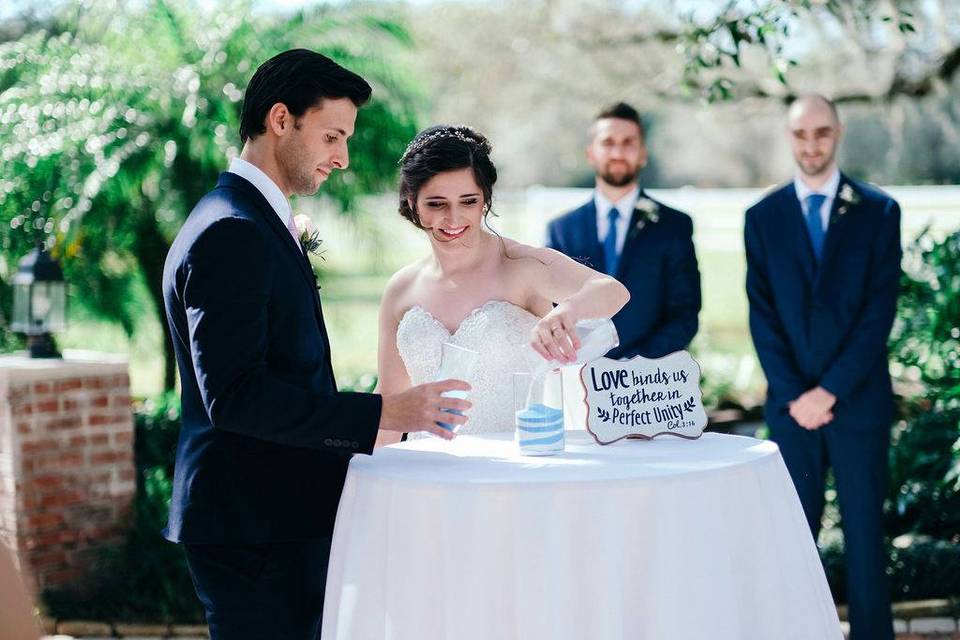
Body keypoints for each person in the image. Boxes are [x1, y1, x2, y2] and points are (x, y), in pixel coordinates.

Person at [161, 49, 469, 640]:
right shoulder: (232, 231)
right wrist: (381, 412)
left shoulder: (250, 218)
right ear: (282, 120)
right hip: (252, 527)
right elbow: (236, 396)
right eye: (332, 136)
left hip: (272, 516)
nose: (343, 158)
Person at [744, 93, 900, 640]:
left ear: (838, 133)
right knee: (793, 539)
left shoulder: (878, 211)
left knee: (864, 538)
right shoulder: (761, 218)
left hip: (857, 404)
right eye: (801, 134)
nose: (811, 145)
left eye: (822, 133)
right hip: (791, 408)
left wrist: (828, 390)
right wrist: (796, 393)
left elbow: (878, 312)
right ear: (789, 137)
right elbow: (762, 316)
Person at [375, 125, 629, 444]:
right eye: (436, 204)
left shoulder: (522, 266)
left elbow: (612, 290)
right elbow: (391, 405)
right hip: (431, 474)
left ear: (485, 201)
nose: (454, 220)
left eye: (468, 201)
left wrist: (567, 311)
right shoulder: (401, 289)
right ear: (412, 202)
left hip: (514, 470)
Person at [547, 102, 700, 360]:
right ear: (590, 153)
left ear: (643, 154)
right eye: (607, 143)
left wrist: (637, 365)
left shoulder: (674, 226)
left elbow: (684, 314)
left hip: (649, 379)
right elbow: (551, 308)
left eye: (628, 142)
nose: (618, 151)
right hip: (582, 373)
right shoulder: (562, 230)